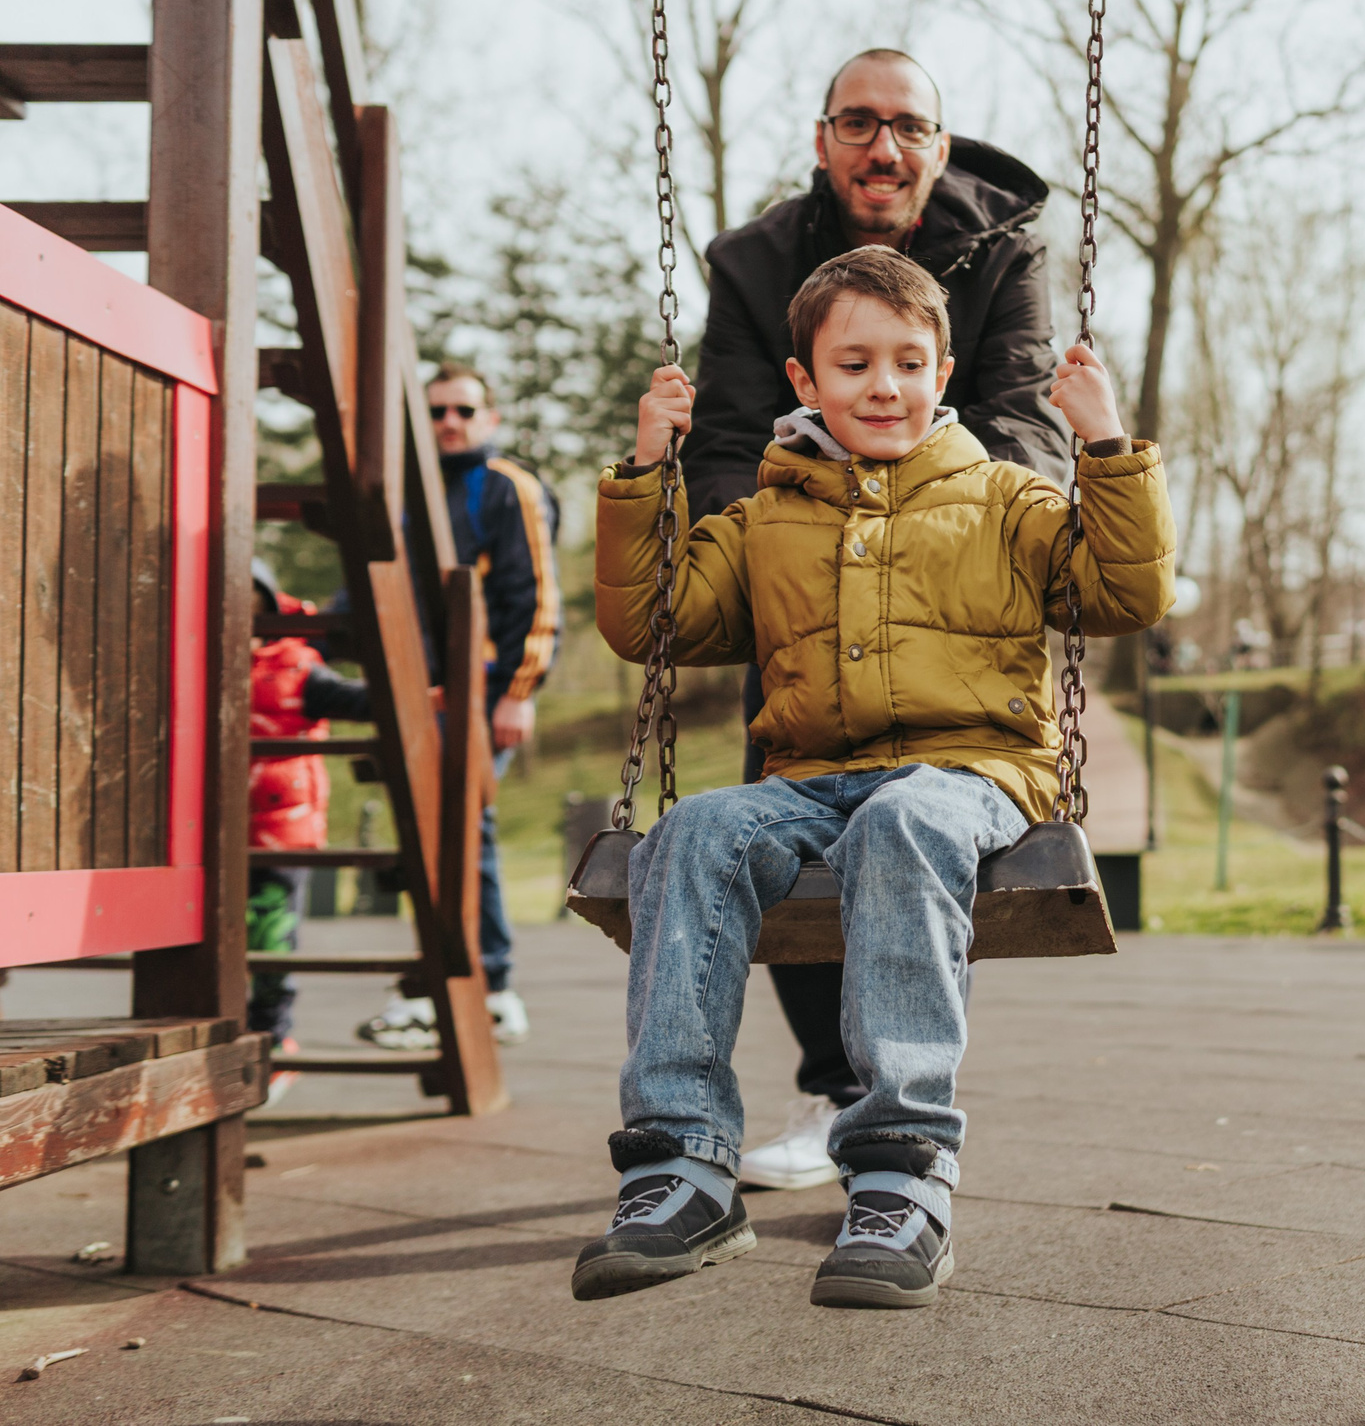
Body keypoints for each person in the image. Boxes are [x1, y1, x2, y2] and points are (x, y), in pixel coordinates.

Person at [574, 246, 1171, 1308]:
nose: (883, 386)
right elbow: (653, 624)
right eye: (853, 364)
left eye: (907, 361)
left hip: (974, 768)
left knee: (904, 821)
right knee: (695, 831)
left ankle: (901, 1168)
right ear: (804, 381)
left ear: (944, 372)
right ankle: (681, 1164)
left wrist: (1106, 444)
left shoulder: (1008, 499)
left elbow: (1122, 595)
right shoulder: (763, 518)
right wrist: (642, 474)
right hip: (811, 775)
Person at [689, 47, 1074, 1191]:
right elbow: (724, 436)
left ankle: (897, 1098)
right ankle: (835, 1089)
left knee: (917, 820)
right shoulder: (757, 265)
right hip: (803, 561)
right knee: (780, 802)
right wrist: (757, 556)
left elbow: (1021, 405)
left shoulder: (1002, 246)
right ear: (823, 143)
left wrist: (981, 537)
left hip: (953, 563)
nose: (883, 148)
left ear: (939, 147)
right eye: (857, 125)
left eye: (907, 126)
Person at [356, 363, 561, 1050]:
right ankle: (438, 981)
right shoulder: (408, 493)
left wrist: (517, 692)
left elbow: (533, 592)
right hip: (416, 694)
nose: (449, 422)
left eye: (464, 411)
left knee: (463, 827)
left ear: (490, 419)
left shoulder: (507, 486)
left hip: (480, 695)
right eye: (437, 410)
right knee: (428, 835)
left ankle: (488, 983)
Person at [248, 563, 372, 1096]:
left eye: (257, 610)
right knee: (220, 943)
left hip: (279, 830)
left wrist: (432, 692)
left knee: (273, 939)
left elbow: (360, 700)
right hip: (213, 827)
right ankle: (235, 1036)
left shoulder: (297, 667)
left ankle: (275, 1042)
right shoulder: (194, 657)